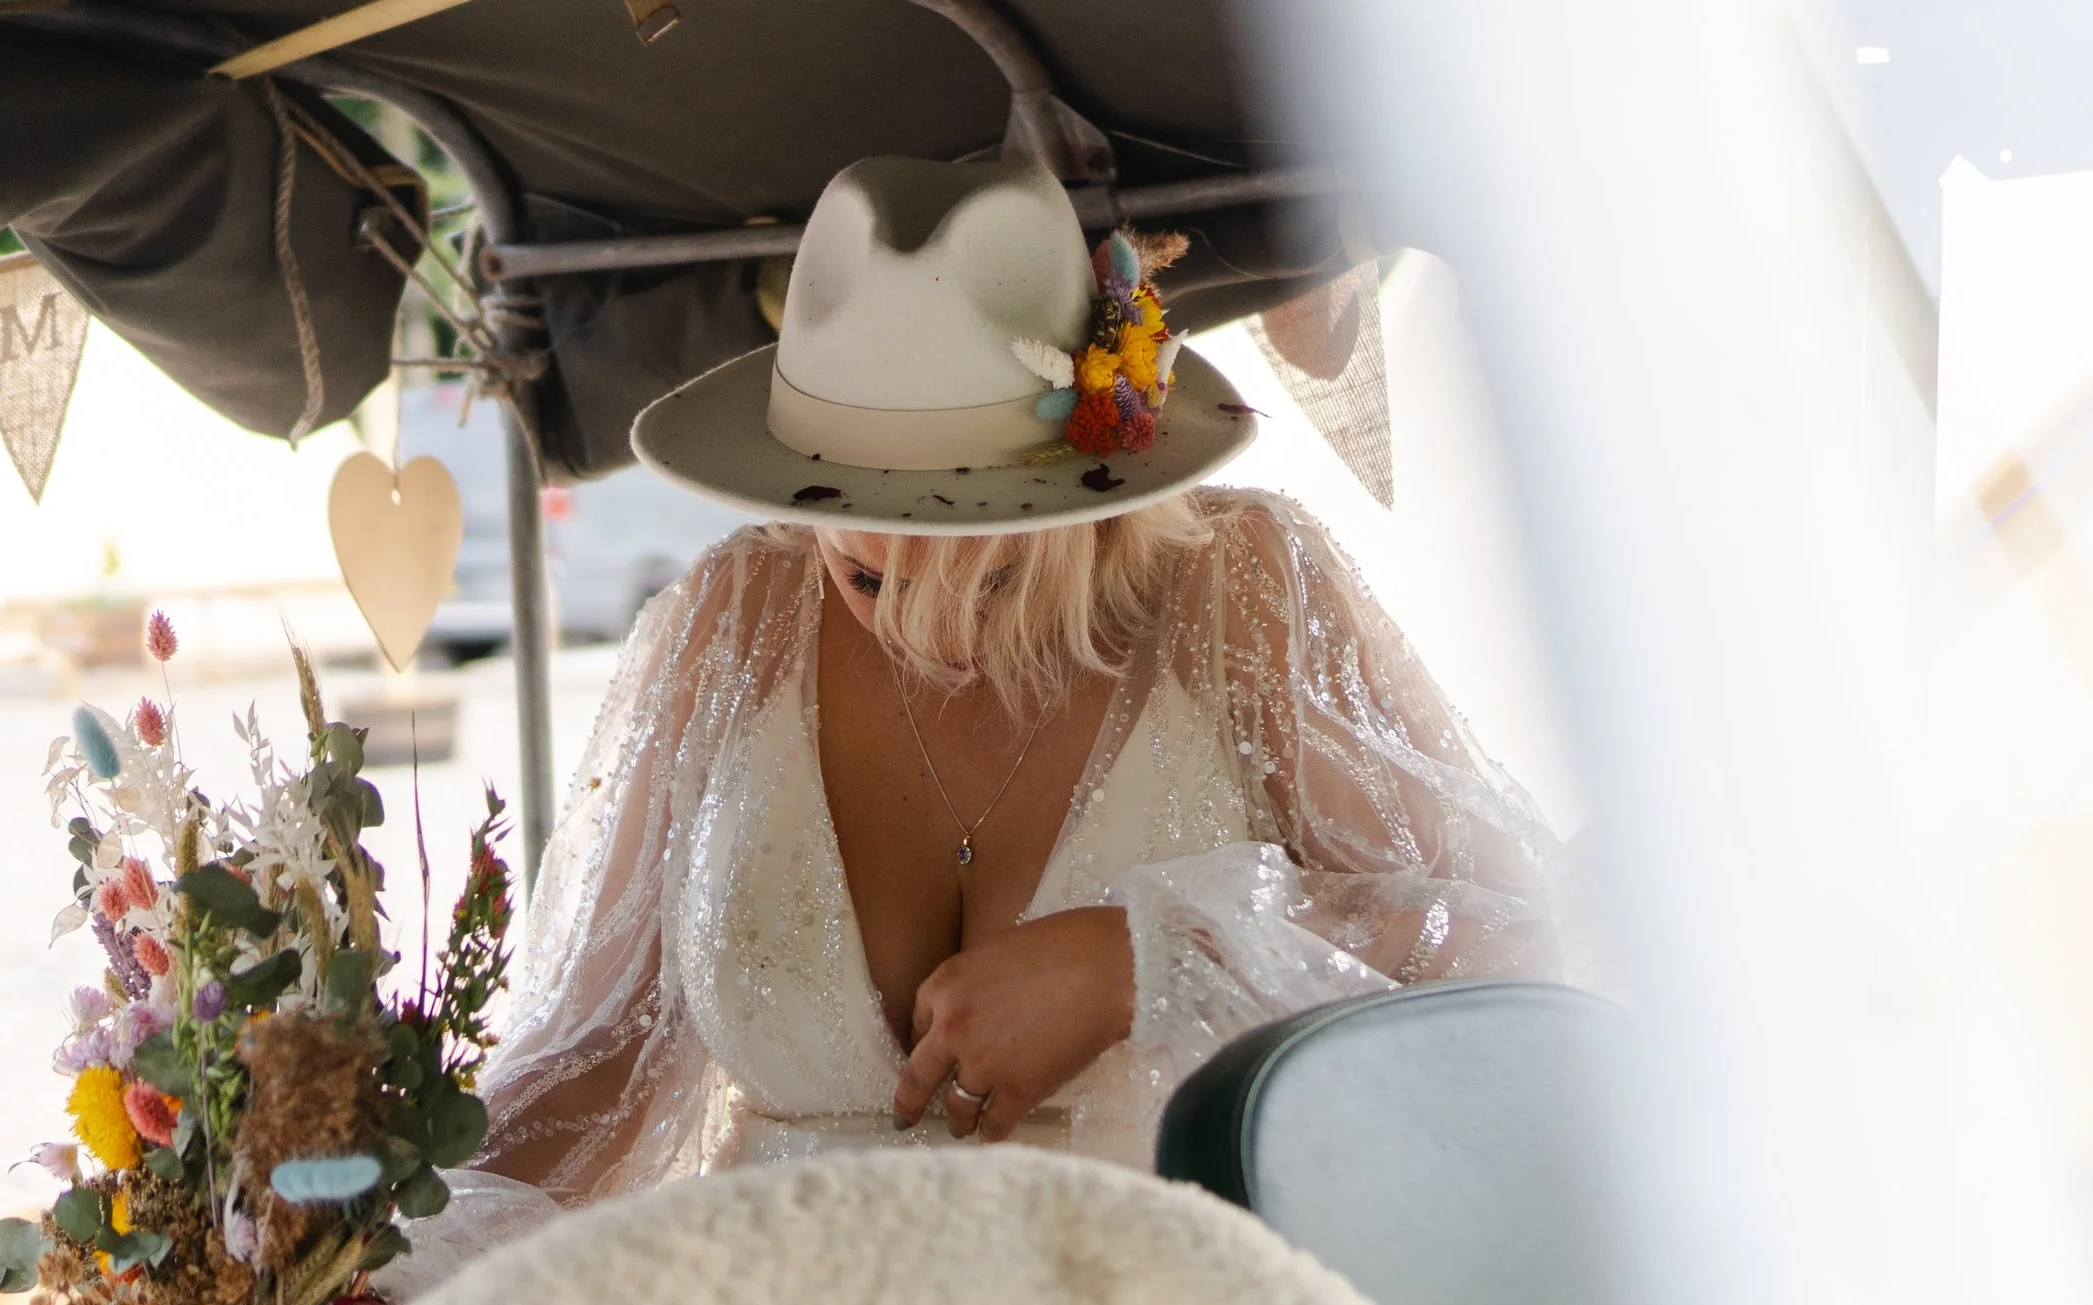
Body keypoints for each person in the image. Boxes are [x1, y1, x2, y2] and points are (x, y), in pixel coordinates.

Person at [469, 155, 1562, 1208]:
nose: (920, 631)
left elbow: (1514, 950)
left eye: (986, 575)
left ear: (1097, 500)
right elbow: (598, 1062)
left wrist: (1158, 953)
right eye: (859, 570)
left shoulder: (1239, 592)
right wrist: (374, 1234)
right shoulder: (733, 619)